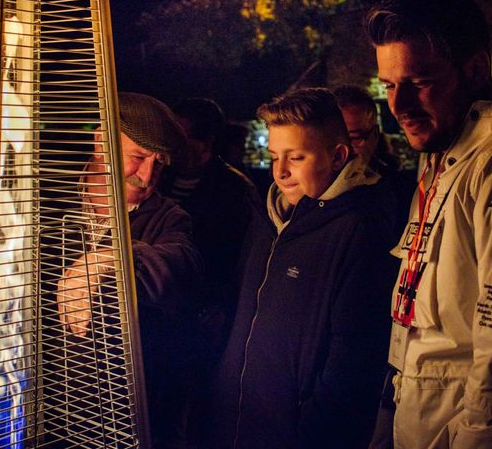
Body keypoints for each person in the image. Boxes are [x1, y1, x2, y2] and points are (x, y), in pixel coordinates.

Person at [366, 0, 492, 448]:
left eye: (419, 83)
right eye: (388, 85)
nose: (398, 106)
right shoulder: (443, 151)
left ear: (474, 69)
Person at [204, 88, 396, 448]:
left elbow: (352, 363)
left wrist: (309, 434)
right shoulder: (267, 219)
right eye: (274, 156)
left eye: (296, 157)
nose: (280, 172)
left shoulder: (360, 230)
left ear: (338, 156)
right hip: (236, 429)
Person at [58, 92, 205, 448]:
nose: (148, 174)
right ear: (100, 141)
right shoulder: (48, 199)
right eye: (138, 157)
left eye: (160, 163)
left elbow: (182, 265)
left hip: (122, 415)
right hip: (45, 406)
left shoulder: (168, 217)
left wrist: (110, 258)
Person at [159, 97, 261, 342]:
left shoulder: (234, 189)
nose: (169, 144)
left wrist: (220, 305)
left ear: (205, 144)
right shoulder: (160, 177)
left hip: (205, 317)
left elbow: (244, 259)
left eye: (179, 137)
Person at [333, 84, 414, 238]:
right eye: (332, 141)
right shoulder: (310, 194)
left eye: (354, 139)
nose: (343, 151)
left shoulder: (403, 193)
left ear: (375, 135)